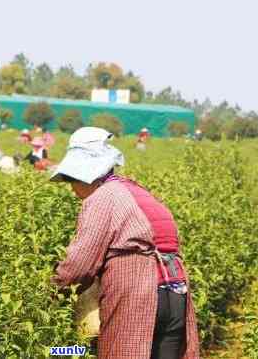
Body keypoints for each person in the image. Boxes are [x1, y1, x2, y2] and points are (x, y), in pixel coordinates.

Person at [50, 127, 199, 359]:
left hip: (138, 293)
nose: (71, 188)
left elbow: (79, 266)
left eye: (70, 179)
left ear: (84, 175)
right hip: (177, 291)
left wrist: (51, 291)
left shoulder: (102, 197)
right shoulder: (139, 191)